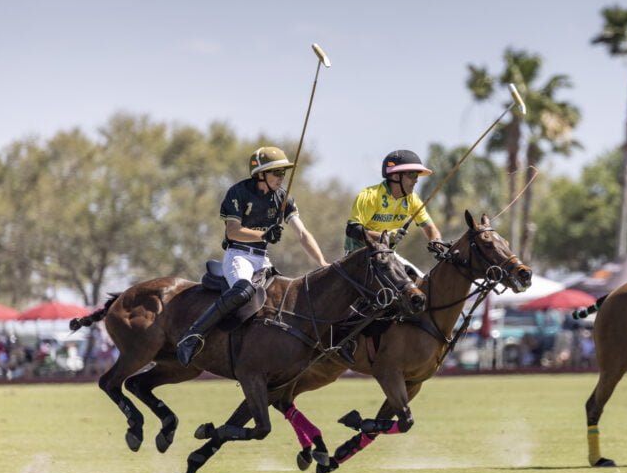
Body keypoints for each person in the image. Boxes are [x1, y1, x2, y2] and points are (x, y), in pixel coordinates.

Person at [177, 146, 328, 366]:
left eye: (283, 172)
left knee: (284, 298)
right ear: (260, 174)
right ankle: (192, 336)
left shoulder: (283, 199)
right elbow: (232, 230)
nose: (281, 177)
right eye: (276, 172)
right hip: (238, 256)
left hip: (262, 259)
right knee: (244, 290)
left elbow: (303, 234)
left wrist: (323, 263)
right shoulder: (238, 193)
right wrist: (264, 233)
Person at [343, 149, 445, 278]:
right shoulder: (370, 195)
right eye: (412, 175)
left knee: (421, 284)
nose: (416, 181)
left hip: (387, 256)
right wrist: (385, 237)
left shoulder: (412, 199)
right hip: (358, 257)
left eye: (417, 176)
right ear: (396, 176)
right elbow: (352, 230)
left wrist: (436, 241)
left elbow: (430, 227)